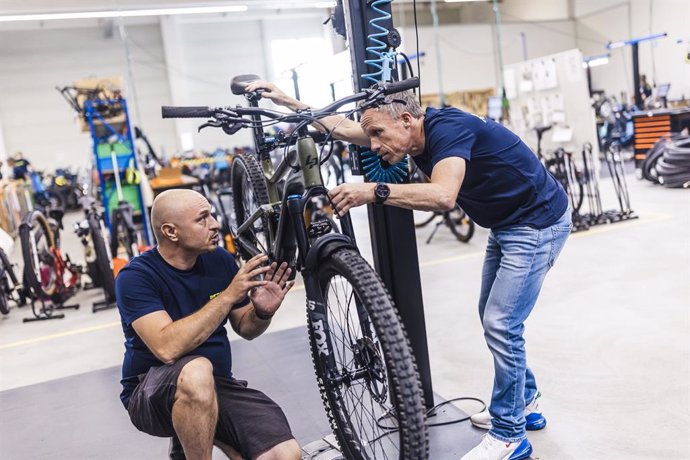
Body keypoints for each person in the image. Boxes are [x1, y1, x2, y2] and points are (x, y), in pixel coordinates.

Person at [246, 80, 571, 460]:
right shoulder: (407, 136)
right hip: (508, 224)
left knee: (502, 322)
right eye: (373, 136)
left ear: (405, 119)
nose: (375, 146)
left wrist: (374, 190)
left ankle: (510, 433)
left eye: (379, 135)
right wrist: (288, 100)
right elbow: (343, 127)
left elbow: (444, 196)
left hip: (536, 224)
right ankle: (525, 399)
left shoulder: (447, 130)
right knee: (494, 316)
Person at [115, 189, 301, 460]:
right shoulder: (135, 278)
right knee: (196, 371)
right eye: (202, 219)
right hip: (149, 393)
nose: (215, 224)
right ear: (171, 231)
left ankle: (191, 434)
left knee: (284, 455)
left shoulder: (220, 260)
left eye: (212, 215)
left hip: (216, 385)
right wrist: (227, 296)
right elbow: (167, 348)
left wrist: (261, 313)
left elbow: (245, 328)